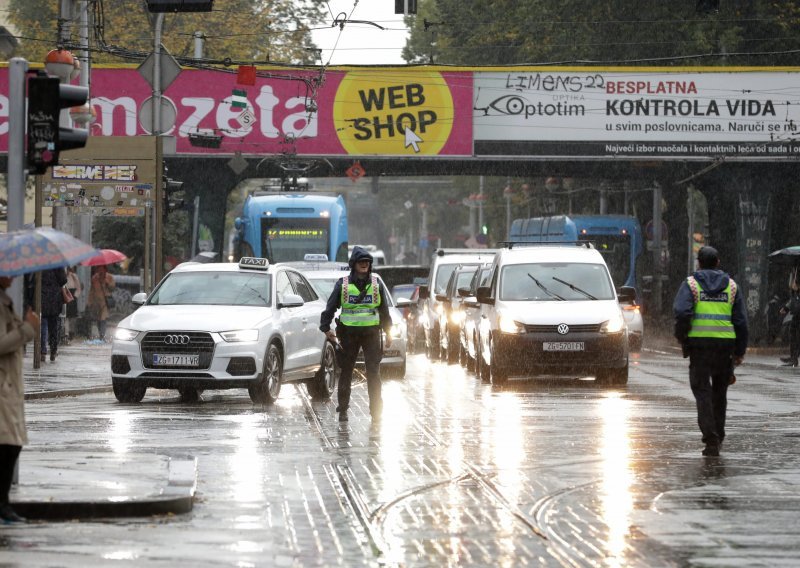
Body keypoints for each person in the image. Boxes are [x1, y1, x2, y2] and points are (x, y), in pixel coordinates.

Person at [673, 246, 748, 457]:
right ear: (717, 262)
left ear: (698, 263)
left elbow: (681, 312)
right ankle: (719, 434)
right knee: (719, 393)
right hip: (725, 348)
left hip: (700, 347)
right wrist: (740, 350)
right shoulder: (732, 287)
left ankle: (711, 438)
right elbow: (741, 322)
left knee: (702, 392)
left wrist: (683, 337)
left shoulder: (691, 285)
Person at [319, 246, 392, 423]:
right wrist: (326, 327)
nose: (364, 265)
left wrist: (389, 332)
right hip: (349, 335)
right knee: (346, 372)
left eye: (367, 262)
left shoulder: (376, 284)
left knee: (373, 372)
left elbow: (384, 311)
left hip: (371, 334)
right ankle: (343, 410)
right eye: (361, 262)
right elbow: (330, 307)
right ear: (354, 264)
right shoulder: (342, 284)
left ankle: (376, 411)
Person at [0, 273, 40, 523]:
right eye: (6, 272)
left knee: (10, 445)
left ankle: (3, 504)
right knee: (8, 446)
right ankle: (2, 505)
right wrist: (28, 328)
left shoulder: (4, 301)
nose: (12, 276)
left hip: (8, 385)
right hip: (3, 385)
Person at [40, 268, 67, 362]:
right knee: (53, 326)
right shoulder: (57, 263)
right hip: (54, 299)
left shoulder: (40, 263)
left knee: (43, 325)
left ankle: (43, 351)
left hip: (42, 297)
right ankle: (53, 351)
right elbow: (63, 280)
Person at [87, 265, 115, 342]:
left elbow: (112, 288)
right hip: (96, 302)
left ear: (105, 269)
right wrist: (89, 301)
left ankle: (102, 335)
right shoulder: (94, 278)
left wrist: (107, 283)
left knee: (103, 318)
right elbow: (92, 290)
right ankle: (100, 334)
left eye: (102, 269)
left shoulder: (109, 277)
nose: (100, 271)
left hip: (105, 301)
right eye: (99, 269)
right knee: (98, 319)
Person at [779, 273, 800, 366]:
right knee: (793, 336)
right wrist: (786, 308)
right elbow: (792, 301)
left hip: (798, 316)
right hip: (796, 316)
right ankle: (793, 357)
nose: (792, 284)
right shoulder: (795, 293)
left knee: (797, 338)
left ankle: (794, 358)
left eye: (794, 283)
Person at [64, 266, 82, 343]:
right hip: (65, 295)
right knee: (65, 316)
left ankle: (71, 332)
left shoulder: (73, 276)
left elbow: (78, 288)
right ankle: (66, 333)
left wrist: (75, 296)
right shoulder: (62, 276)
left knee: (72, 316)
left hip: (72, 296)